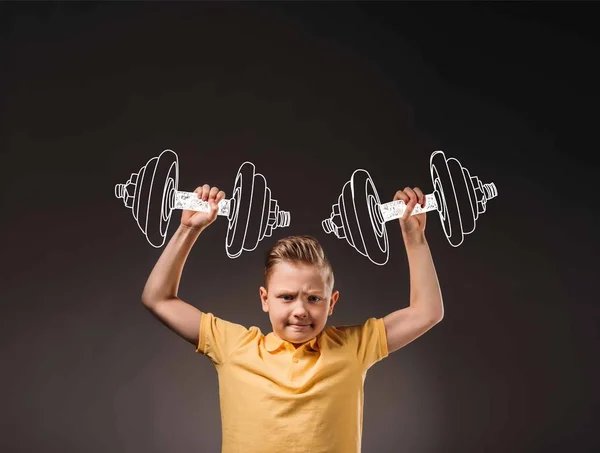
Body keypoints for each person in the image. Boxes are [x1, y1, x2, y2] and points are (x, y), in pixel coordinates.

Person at [142, 183, 444, 453]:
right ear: (265, 299)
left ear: (331, 303)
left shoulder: (354, 347)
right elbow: (158, 298)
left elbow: (426, 312)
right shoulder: (233, 346)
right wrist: (188, 230)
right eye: (286, 297)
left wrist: (414, 237)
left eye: (314, 298)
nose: (300, 310)